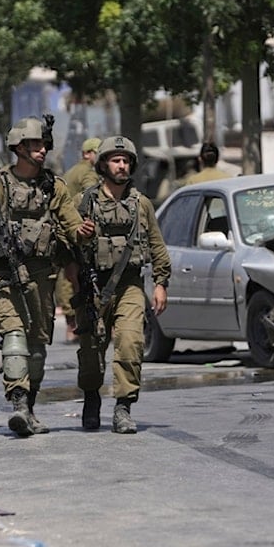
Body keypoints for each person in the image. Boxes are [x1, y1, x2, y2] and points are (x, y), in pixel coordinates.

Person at [0, 116, 93, 437]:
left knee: (38, 347)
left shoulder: (53, 187)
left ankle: (29, 407)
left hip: (43, 277)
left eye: (44, 144)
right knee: (14, 338)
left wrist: (82, 231)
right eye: (34, 144)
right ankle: (18, 405)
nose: (42, 149)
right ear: (18, 147)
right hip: (6, 278)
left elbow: (71, 223)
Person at [70, 135, 171, 434]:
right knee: (91, 349)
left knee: (130, 343)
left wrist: (161, 282)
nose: (121, 165)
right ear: (102, 164)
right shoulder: (84, 202)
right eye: (115, 160)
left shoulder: (141, 205)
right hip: (92, 285)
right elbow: (64, 245)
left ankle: (123, 407)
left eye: (126, 160)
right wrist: (79, 233)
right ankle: (91, 399)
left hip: (129, 285)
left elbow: (157, 245)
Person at [56, 137, 102, 342]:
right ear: (87, 154)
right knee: (73, 277)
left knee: (67, 274)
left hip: (66, 227)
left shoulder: (71, 171)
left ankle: (71, 323)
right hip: (79, 228)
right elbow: (91, 198)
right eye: (97, 152)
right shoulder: (88, 173)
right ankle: (74, 323)